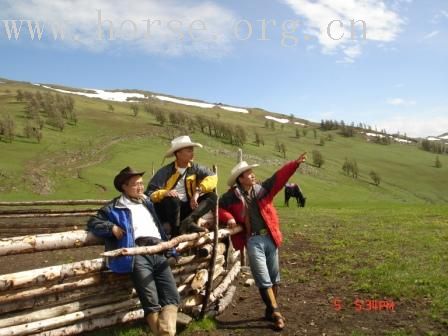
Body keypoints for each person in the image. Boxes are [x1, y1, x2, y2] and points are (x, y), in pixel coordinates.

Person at [218, 153, 307, 331]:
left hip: (270, 238)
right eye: (248, 173)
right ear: (240, 179)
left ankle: (269, 310)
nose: (252, 175)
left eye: (251, 172)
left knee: (274, 278)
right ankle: (276, 313)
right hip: (253, 241)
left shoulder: (262, 190)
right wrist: (228, 217)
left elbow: (279, 178)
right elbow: (219, 207)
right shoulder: (231, 197)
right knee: (262, 278)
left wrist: (294, 164)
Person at [87, 167, 180, 336]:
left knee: (171, 295)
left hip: (158, 250)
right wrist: (111, 227)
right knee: (149, 298)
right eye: (136, 184)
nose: (141, 187)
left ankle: (166, 332)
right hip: (137, 254)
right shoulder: (114, 207)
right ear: (124, 186)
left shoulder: (147, 203)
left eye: (141, 183)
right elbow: (93, 222)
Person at [146, 135, 218, 237]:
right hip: (169, 210)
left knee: (212, 196)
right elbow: (149, 193)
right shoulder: (165, 171)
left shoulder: (195, 168)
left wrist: (198, 192)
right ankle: (176, 232)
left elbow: (213, 176)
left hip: (188, 206)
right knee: (173, 198)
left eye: (192, 150)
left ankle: (188, 222)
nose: (192, 153)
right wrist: (165, 193)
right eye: (189, 150)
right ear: (178, 154)